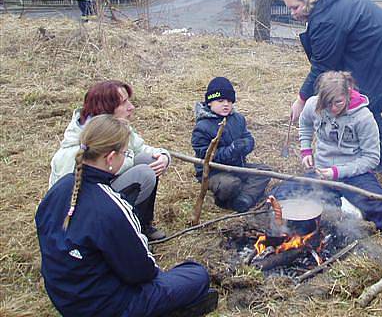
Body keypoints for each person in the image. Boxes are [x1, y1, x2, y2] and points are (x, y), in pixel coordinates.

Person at [36, 115, 218, 317]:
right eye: (125, 152)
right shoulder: (110, 207)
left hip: (63, 296)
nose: (127, 157)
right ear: (111, 158)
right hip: (103, 307)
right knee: (196, 274)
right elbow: (143, 272)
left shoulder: (59, 188)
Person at [273, 71, 382, 262]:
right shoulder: (314, 105)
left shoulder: (363, 118)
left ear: (348, 95)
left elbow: (371, 158)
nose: (331, 108)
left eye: (337, 103)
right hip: (321, 172)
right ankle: (339, 208)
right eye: (327, 103)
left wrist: (338, 171)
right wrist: (306, 150)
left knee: (379, 204)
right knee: (284, 191)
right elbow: (305, 122)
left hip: (354, 174)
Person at [281, 0, 382, 174]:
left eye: (295, 7)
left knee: (362, 100)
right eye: (289, 8)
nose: (292, 13)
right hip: (371, 41)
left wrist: (301, 100)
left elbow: (322, 67)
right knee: (352, 94)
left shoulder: (326, 19)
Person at [49, 80, 170, 240]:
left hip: (106, 191)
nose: (131, 107)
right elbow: (66, 201)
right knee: (144, 173)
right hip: (89, 211)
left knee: (149, 160)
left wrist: (163, 156)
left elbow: (142, 150)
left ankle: (141, 225)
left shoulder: (118, 128)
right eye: (124, 103)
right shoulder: (73, 153)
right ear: (105, 110)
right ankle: (120, 235)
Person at [191, 77, 271, 212]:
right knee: (230, 184)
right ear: (209, 102)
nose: (226, 104)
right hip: (214, 172)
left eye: (229, 101)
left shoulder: (238, 119)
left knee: (265, 172)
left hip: (237, 166)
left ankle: (244, 199)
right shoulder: (202, 127)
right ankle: (224, 201)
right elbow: (206, 156)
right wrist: (231, 150)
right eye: (220, 101)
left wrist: (246, 144)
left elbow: (248, 137)